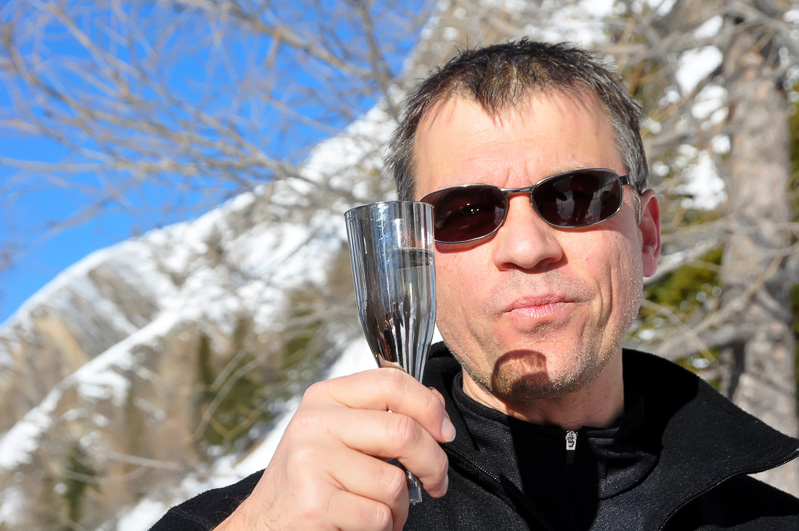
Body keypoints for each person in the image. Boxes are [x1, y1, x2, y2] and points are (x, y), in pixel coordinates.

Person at [152, 39, 799, 530]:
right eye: (464, 212)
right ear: (416, 256)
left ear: (647, 235)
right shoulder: (276, 517)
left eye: (575, 197)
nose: (526, 247)